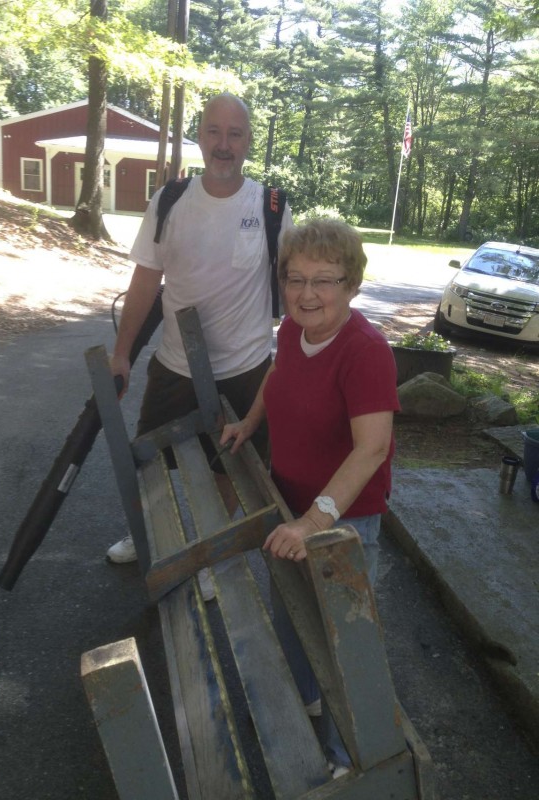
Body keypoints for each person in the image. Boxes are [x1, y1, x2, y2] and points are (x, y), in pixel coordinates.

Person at [220, 218, 399, 774]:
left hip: (343, 525)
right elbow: (278, 375)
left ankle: (351, 758)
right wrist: (250, 421)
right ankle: (298, 704)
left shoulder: (365, 351)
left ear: (351, 284)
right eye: (295, 279)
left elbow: (371, 449)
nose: (307, 294)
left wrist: (313, 522)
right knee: (293, 616)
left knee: (345, 644)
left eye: (324, 280)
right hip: (289, 504)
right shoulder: (291, 332)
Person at [105, 92, 293, 597]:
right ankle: (148, 536)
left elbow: (293, 285)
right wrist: (122, 353)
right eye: (214, 132)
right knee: (151, 459)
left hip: (247, 365)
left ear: (249, 141)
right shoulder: (170, 200)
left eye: (235, 134)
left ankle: (211, 551)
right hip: (175, 363)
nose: (224, 144)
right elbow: (145, 280)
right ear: (201, 136)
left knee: (228, 465)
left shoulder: (272, 207)